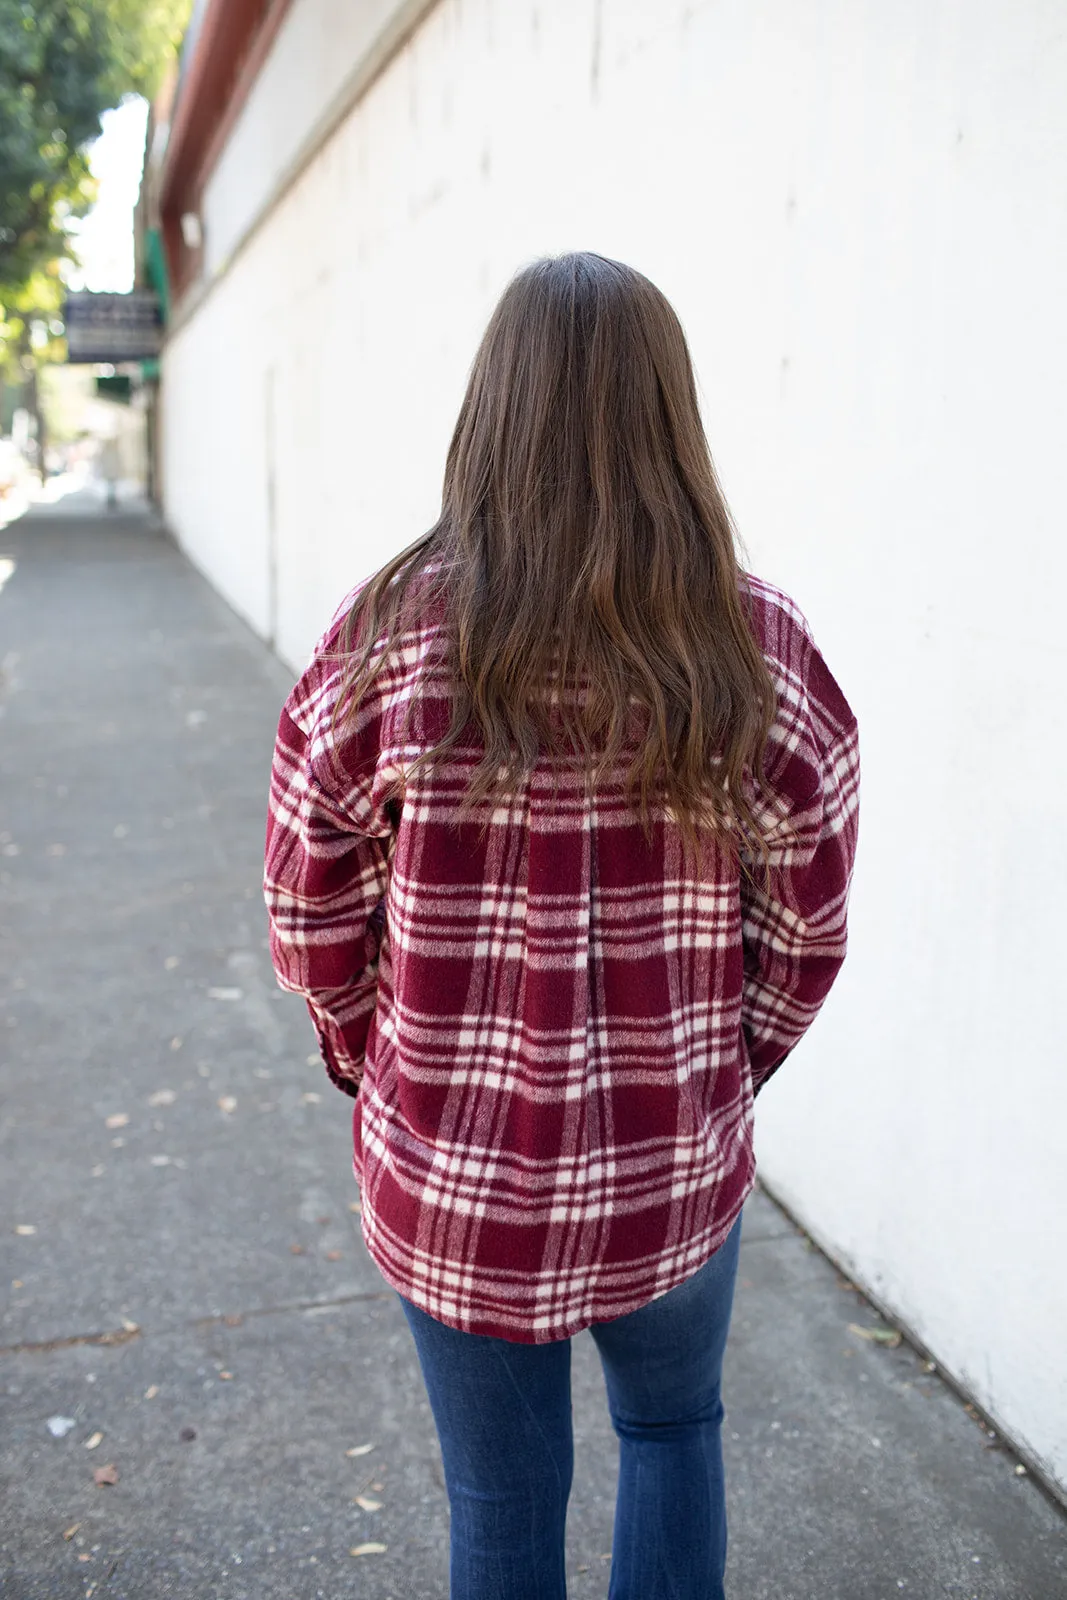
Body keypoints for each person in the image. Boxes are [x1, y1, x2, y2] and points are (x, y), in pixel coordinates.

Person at [263, 251, 860, 1600]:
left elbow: (308, 908)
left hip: (450, 1184)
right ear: (670, 421)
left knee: (501, 1505)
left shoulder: (384, 642)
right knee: (670, 1434)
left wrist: (377, 1066)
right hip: (669, 1171)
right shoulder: (760, 653)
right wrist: (711, 1073)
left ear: (491, 416)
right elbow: (806, 931)